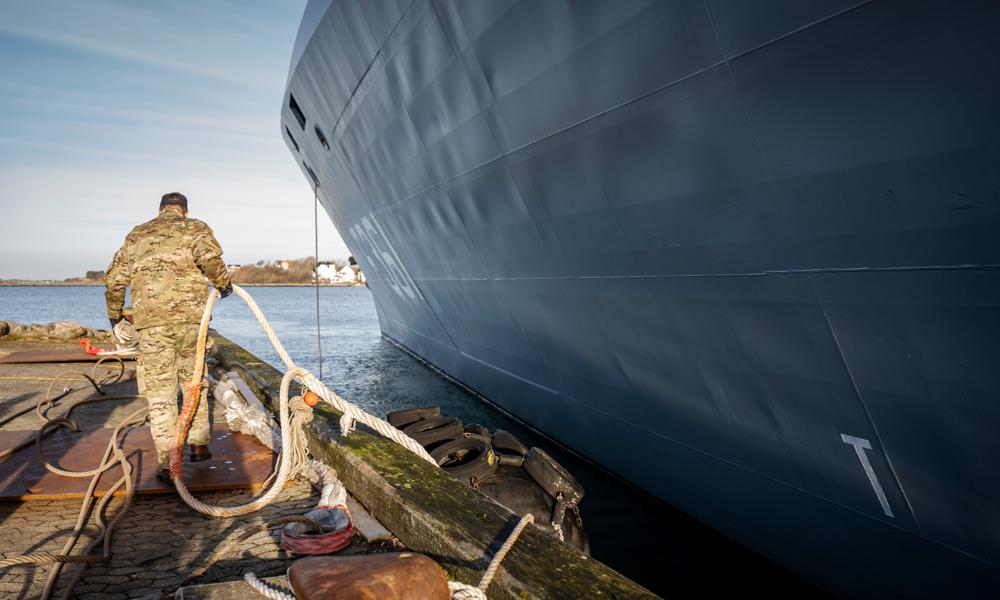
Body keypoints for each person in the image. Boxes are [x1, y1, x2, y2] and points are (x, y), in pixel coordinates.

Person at [105, 192, 232, 481]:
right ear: (184, 211)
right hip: (192, 323)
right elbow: (211, 260)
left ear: (160, 209)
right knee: (193, 382)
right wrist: (223, 286)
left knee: (161, 393)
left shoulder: (137, 235)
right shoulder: (196, 227)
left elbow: (114, 280)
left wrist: (115, 316)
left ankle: (168, 463)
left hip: (152, 326)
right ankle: (198, 445)